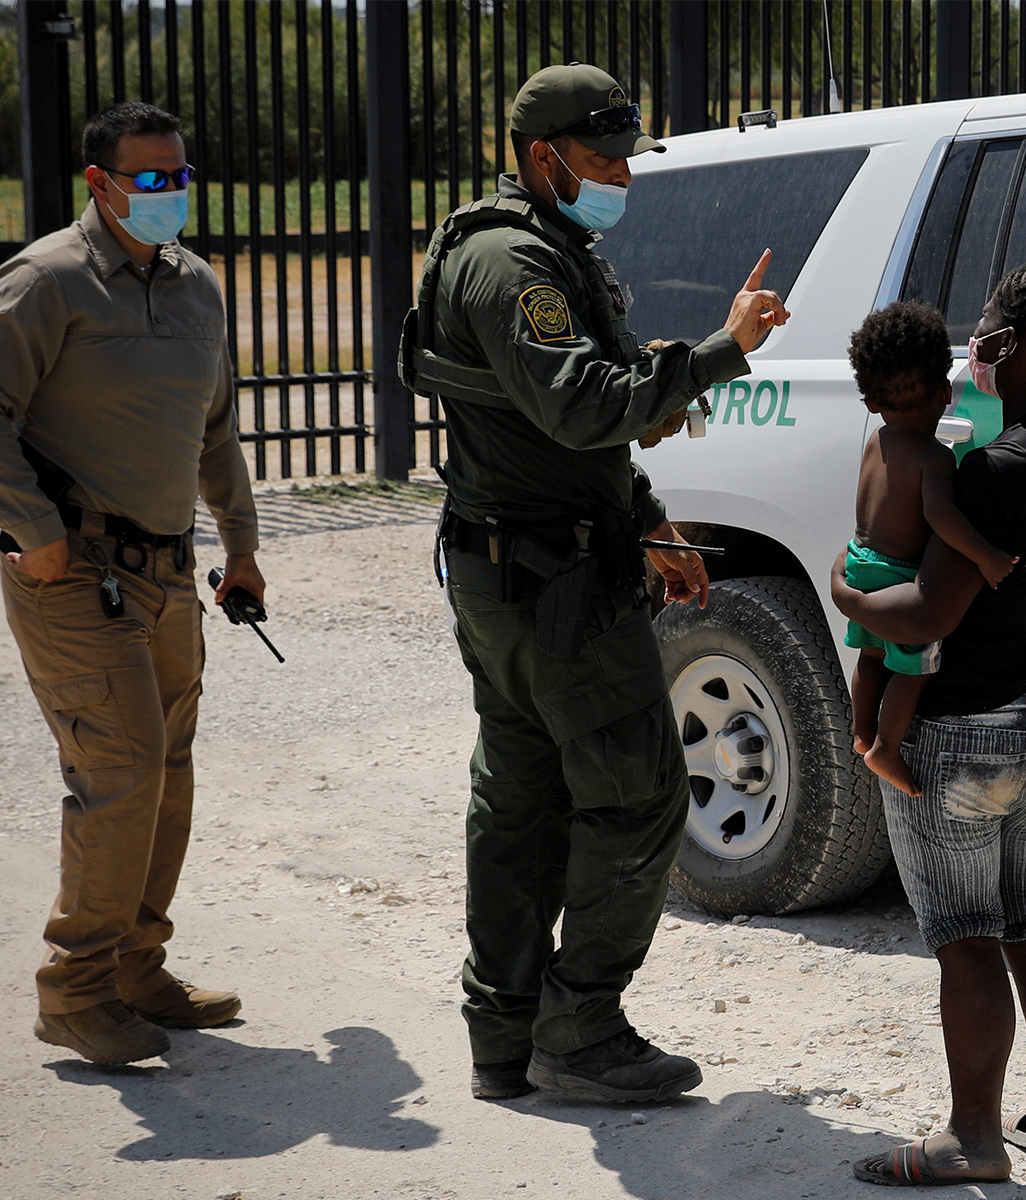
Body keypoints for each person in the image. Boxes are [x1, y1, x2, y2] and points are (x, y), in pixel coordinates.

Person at [399, 62, 787, 1104]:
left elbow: (563, 439)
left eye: (625, 158)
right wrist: (724, 348)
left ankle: (503, 1035)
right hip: (552, 583)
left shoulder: (530, 245)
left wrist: (649, 522)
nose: (620, 176)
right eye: (603, 159)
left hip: (519, 564)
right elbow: (581, 408)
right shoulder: (513, 263)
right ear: (543, 157)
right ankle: (578, 1031)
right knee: (638, 793)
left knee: (522, 801)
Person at [0, 101, 262, 1065]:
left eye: (181, 175)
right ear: (101, 182)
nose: (171, 193)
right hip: (75, 576)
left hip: (167, 575)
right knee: (120, 774)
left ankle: (134, 967)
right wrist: (36, 535)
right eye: (151, 178)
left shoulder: (197, 286)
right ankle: (75, 991)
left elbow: (214, 432)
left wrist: (242, 545)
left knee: (167, 775)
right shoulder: (47, 280)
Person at [830, 258, 1026, 1187]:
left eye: (988, 331)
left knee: (965, 936)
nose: (974, 345)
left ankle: (973, 1137)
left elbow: (925, 615)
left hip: (964, 735)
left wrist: (844, 593)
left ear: (1013, 348)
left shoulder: (988, 474)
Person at [843, 300, 1016, 795]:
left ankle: (861, 732)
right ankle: (886, 748)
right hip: (899, 579)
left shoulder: (876, 440)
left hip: (861, 563)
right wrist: (986, 556)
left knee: (871, 655)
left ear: (871, 400)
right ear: (943, 392)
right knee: (913, 670)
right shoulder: (935, 458)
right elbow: (941, 517)